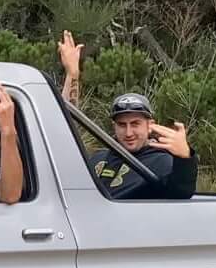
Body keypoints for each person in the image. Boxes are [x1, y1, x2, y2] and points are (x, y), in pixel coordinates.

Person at [55, 30, 195, 200]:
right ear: (114, 126)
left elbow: (181, 193)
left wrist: (185, 159)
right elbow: (65, 128)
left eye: (135, 124)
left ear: (150, 125)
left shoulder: (162, 162)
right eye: (122, 125)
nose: (128, 133)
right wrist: (73, 75)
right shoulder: (98, 158)